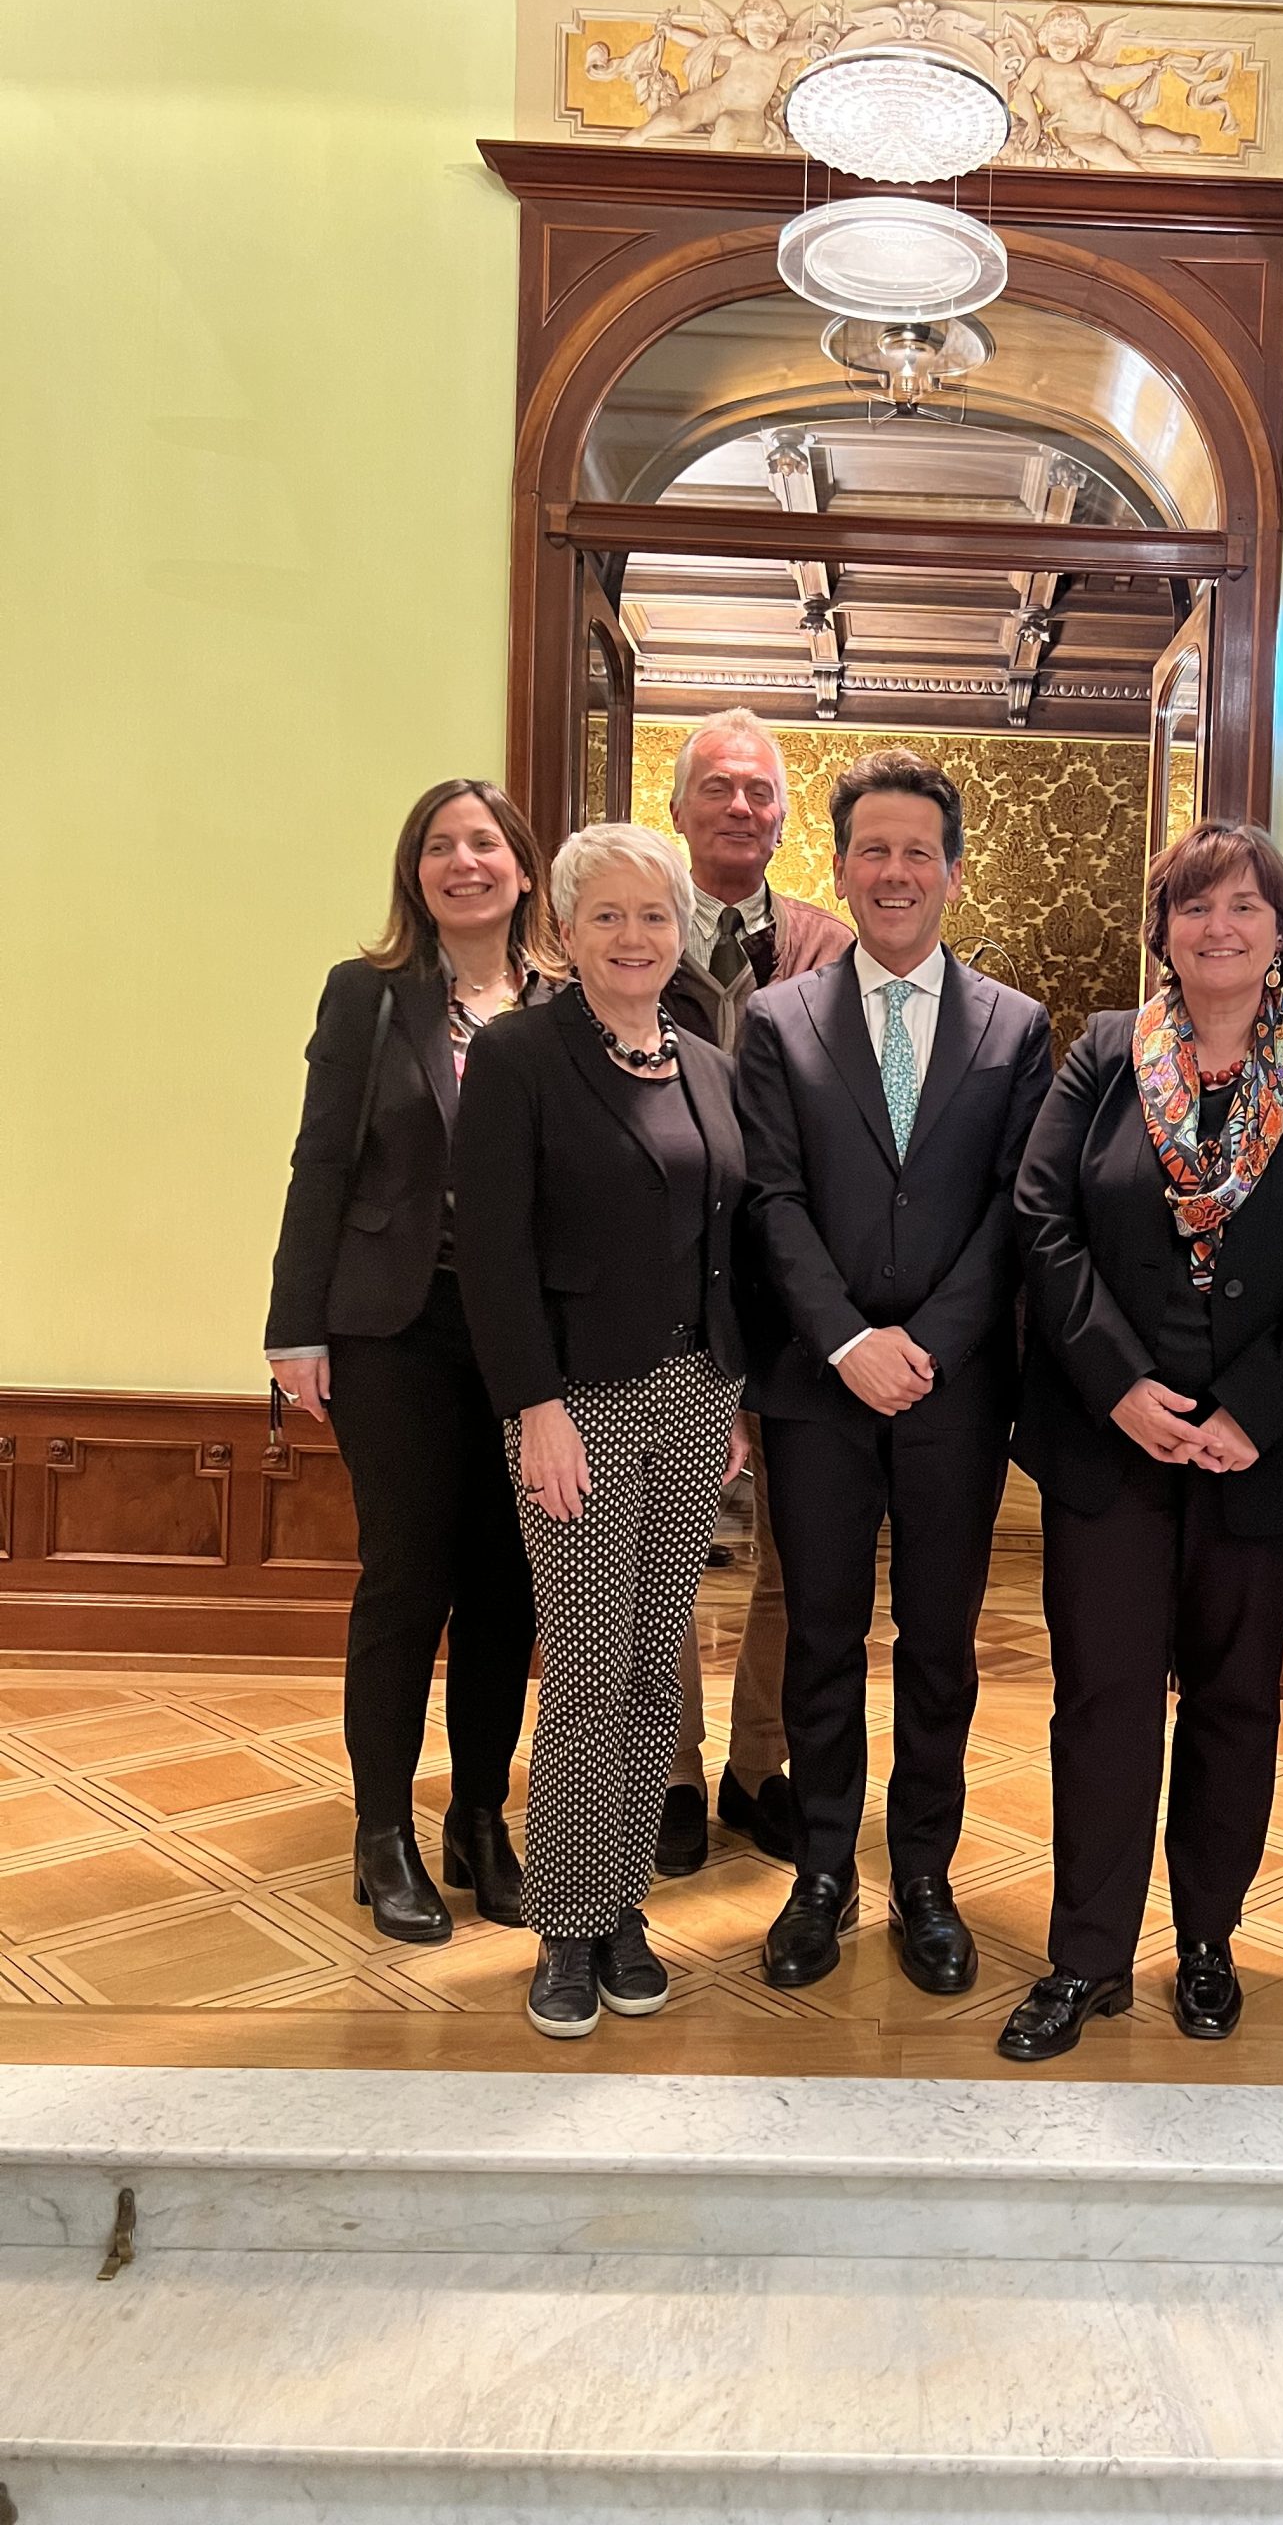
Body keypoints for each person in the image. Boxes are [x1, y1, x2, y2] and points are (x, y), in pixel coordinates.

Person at [998, 822, 1283, 2063]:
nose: (1218, 927)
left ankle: (1210, 1941)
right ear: (1162, 930)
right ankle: (1086, 1956)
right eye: (1193, 906)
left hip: (1260, 1452)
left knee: (1233, 1701)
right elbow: (1042, 1214)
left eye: (1244, 907)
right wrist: (1118, 1383)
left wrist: (1253, 1410)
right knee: (1103, 1699)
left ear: (1282, 934)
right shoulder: (1104, 1052)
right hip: (1108, 1440)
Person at [736, 748, 1052, 1994]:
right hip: (815, 1389)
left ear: (953, 872)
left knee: (938, 1647)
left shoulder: (1017, 1027)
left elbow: (1018, 1208)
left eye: (919, 850)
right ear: (841, 866)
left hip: (953, 1394)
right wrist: (846, 1340)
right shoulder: (779, 1021)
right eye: (873, 848)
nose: (896, 870)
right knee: (818, 1638)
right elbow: (770, 1198)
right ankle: (821, 1873)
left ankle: (925, 1874)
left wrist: (930, 1343)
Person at [453, 825, 751, 2039]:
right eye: (609, 916)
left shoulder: (708, 1064)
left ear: (682, 932)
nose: (635, 937)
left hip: (694, 1398)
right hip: (574, 1405)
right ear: (566, 931)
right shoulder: (520, 1055)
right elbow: (491, 1251)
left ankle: (622, 1904)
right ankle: (567, 1928)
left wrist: (731, 1394)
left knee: (650, 1670)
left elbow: (724, 1242)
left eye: (655, 915)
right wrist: (534, 1406)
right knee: (584, 1670)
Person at [265, 780, 559, 1944]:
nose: (464, 861)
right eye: (441, 845)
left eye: (485, 842)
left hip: (526, 1333)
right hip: (392, 1328)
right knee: (406, 1575)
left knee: (508, 1580)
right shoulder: (369, 994)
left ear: (523, 867)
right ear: (416, 872)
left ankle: (479, 1816)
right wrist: (294, 1325)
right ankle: (381, 1828)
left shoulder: (565, 1000)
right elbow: (319, 1162)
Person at [657, 708, 852, 1878]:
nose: (740, 806)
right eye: (718, 787)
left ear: (784, 820)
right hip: (665, 1298)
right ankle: (672, 1771)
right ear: (679, 808)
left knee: (798, 1552)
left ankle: (757, 1764)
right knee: (668, 1551)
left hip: (793, 1300)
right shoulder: (630, 931)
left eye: (760, 791)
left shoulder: (829, 946)